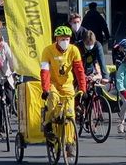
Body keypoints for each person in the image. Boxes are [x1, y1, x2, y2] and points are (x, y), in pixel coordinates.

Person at [39, 26, 87, 159]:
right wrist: (45, 89)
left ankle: (70, 143)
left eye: (67, 39)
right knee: (53, 100)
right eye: (62, 39)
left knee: (70, 113)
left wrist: (83, 89)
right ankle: (48, 125)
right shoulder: (48, 50)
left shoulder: (74, 50)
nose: (65, 41)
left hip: (67, 85)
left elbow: (79, 71)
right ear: (57, 39)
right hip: (53, 84)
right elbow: (45, 72)